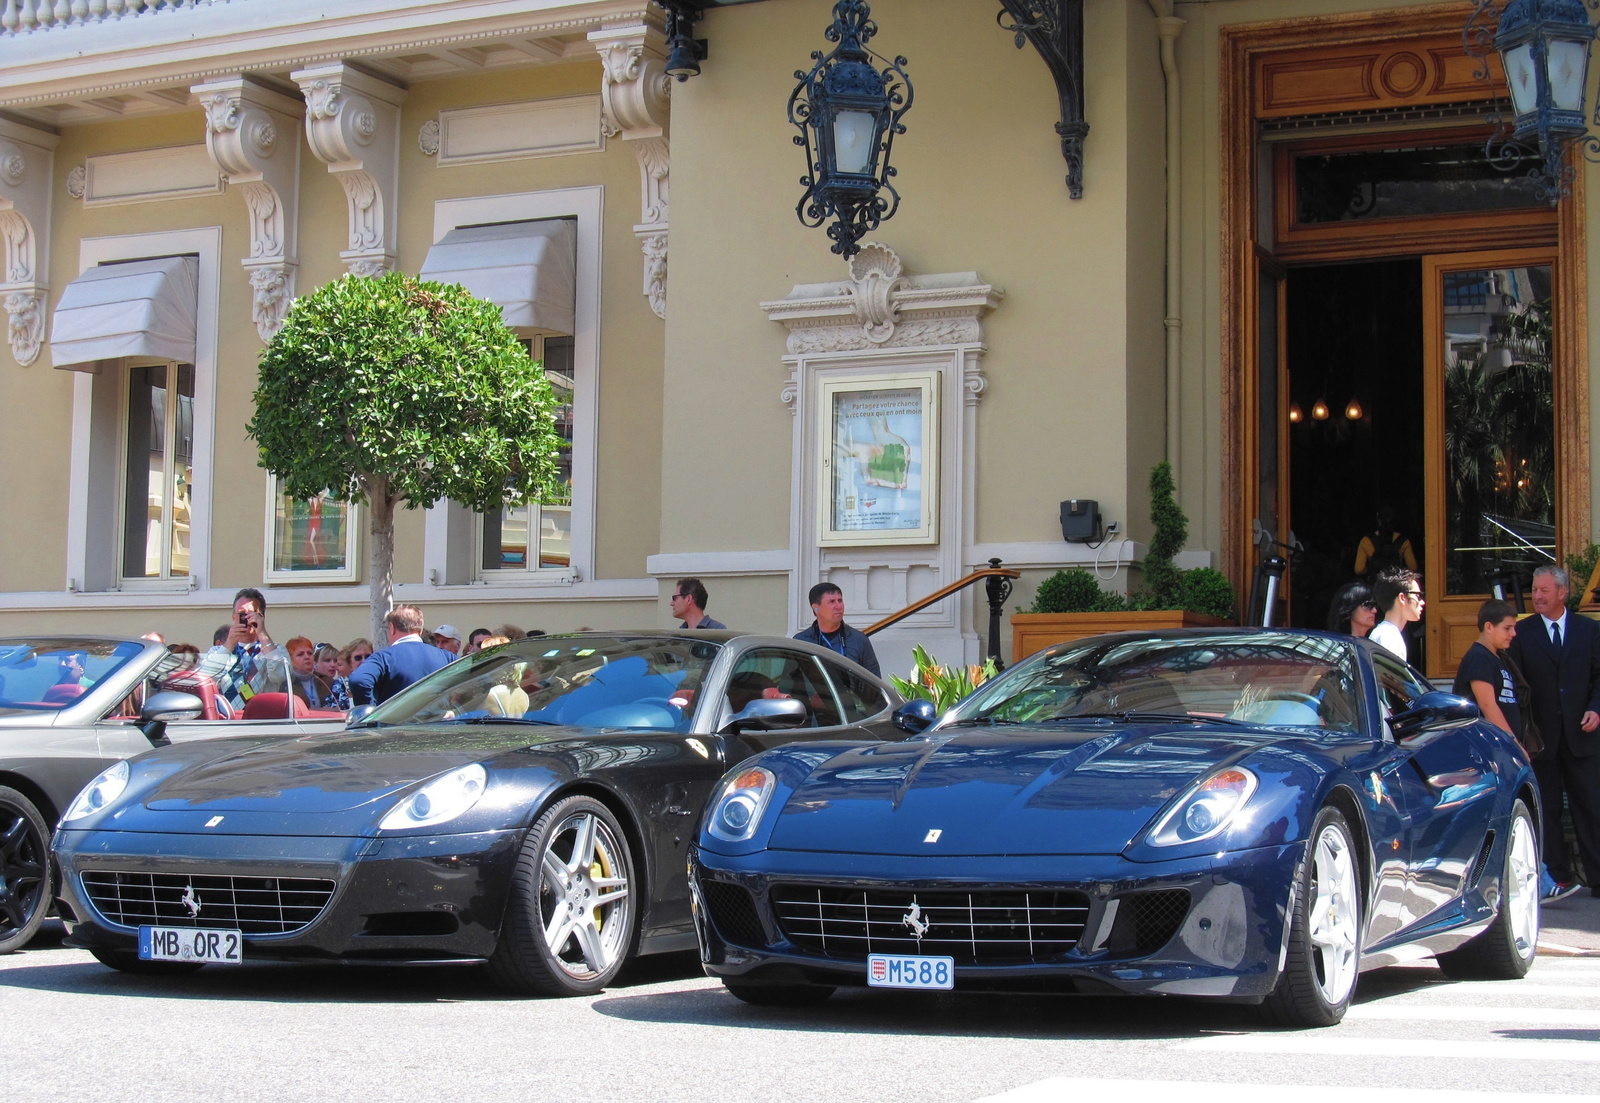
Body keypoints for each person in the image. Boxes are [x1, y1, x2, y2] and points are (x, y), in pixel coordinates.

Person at [1506, 564, 1600, 899]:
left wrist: (1596, 708)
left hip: (1582, 735)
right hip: (1541, 738)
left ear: (1563, 592)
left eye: (1545, 590)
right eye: (1534, 589)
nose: (1537, 595)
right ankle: (1557, 877)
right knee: (1546, 807)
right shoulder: (1522, 632)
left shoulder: (1588, 631)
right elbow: (1515, 685)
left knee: (1590, 805)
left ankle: (1597, 877)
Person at [348, 605, 456, 706]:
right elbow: (471, 677)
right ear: (420, 629)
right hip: (437, 723)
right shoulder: (447, 657)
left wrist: (369, 713)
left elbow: (358, 680)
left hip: (394, 723)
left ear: (391, 628)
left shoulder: (384, 658)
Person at [793, 582, 880, 676]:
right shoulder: (801, 642)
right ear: (816, 608)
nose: (838, 606)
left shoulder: (859, 639)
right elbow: (789, 684)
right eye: (832, 602)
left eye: (840, 600)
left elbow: (875, 681)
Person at [1369, 568, 1423, 661]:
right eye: (1417, 596)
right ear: (1402, 598)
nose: (1422, 602)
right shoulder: (1388, 637)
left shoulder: (1386, 633)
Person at [1354, 506, 1418, 581]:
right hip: (1396, 585)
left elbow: (1359, 570)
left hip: (1375, 585)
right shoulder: (1404, 541)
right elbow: (1413, 568)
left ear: (1378, 519)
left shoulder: (1366, 541)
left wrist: (1371, 570)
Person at [284, 636, 333, 709]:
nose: (307, 657)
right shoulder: (286, 684)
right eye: (300, 654)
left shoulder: (326, 680)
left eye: (310, 653)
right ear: (290, 660)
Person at [315, 644, 348, 711]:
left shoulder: (340, 685)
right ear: (315, 663)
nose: (333, 665)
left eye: (335, 661)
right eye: (327, 660)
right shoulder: (308, 685)